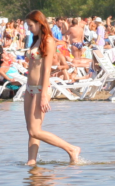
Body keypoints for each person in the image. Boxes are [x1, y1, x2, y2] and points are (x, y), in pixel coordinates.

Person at [23, 10, 80, 165]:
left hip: (41, 88)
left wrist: (42, 94)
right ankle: (31, 162)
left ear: (39, 24)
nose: (28, 28)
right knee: (31, 131)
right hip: (29, 89)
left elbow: (46, 69)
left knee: (35, 130)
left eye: (30, 25)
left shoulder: (48, 41)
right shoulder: (35, 40)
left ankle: (71, 148)